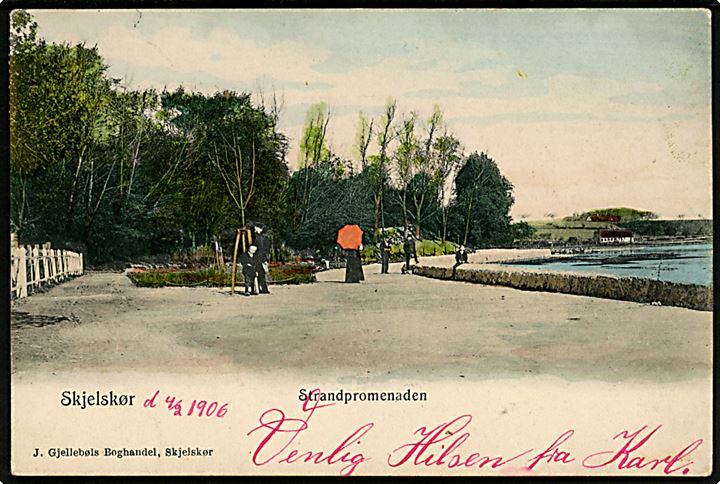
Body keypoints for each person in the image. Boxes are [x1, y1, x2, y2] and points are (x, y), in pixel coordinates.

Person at [252, 224, 271, 294]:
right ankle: (260, 288)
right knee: (259, 273)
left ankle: (262, 288)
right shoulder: (256, 236)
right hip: (257, 257)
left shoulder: (259, 237)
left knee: (261, 273)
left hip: (259, 257)